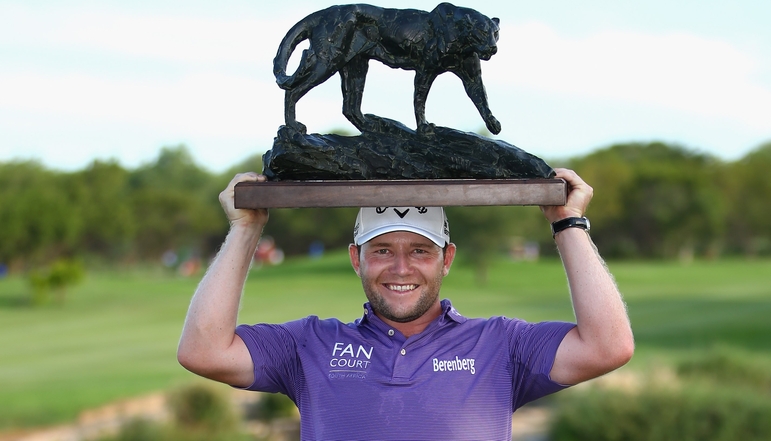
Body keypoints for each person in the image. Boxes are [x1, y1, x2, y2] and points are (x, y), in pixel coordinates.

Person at [177, 169, 634, 440]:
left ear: (446, 259)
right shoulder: (309, 344)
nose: (400, 268)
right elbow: (205, 351)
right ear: (356, 258)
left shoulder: (501, 344)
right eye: (382, 251)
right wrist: (245, 229)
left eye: (419, 250)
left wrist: (568, 222)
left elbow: (607, 345)